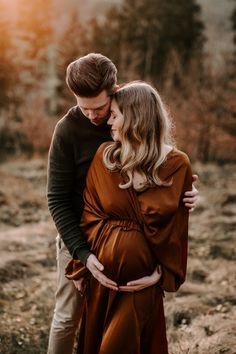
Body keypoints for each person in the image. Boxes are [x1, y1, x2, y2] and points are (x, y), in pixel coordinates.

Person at [47, 53, 198, 354]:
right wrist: (82, 256)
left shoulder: (127, 111)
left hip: (132, 247)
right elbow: (57, 199)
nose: (93, 116)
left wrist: (190, 193)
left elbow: (161, 159)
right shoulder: (68, 130)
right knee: (67, 319)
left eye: (100, 108)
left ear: (114, 90)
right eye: (83, 107)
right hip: (78, 239)